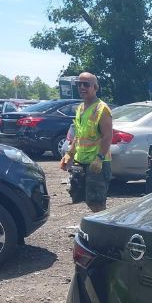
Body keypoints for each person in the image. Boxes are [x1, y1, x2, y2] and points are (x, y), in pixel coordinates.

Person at [60, 72, 113, 212]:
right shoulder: (80, 109)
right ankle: (94, 228)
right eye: (79, 84)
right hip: (81, 160)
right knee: (81, 197)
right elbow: (79, 135)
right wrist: (69, 154)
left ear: (95, 87)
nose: (82, 87)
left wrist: (99, 158)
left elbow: (108, 136)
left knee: (96, 202)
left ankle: (102, 230)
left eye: (86, 84)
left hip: (97, 162)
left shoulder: (102, 109)